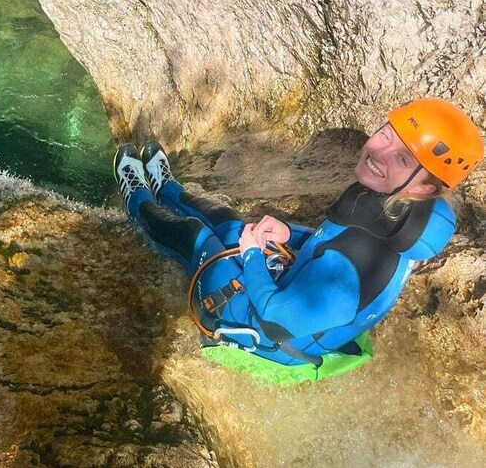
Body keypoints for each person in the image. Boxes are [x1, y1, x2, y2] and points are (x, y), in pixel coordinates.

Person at [113, 98, 484, 370]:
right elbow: (330, 242)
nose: (378, 152)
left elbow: (277, 318)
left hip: (265, 332)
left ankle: (137, 198)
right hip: (291, 293)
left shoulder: (358, 266)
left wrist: (253, 257)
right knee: (230, 221)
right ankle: (168, 189)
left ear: (423, 188)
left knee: (198, 237)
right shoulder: (396, 212)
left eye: (403, 158)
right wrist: (289, 232)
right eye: (386, 135)